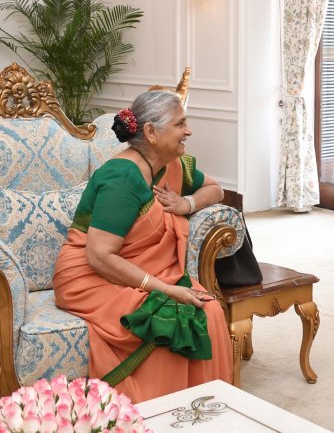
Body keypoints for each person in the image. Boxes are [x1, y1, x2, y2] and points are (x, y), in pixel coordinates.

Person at [54, 90, 232, 403]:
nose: (188, 131)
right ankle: (160, 413)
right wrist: (165, 289)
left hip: (136, 271)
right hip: (91, 279)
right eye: (180, 124)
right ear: (151, 132)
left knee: (210, 309)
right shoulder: (122, 177)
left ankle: (200, 413)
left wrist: (185, 202)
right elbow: (98, 256)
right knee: (174, 320)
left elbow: (216, 190)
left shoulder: (173, 164)